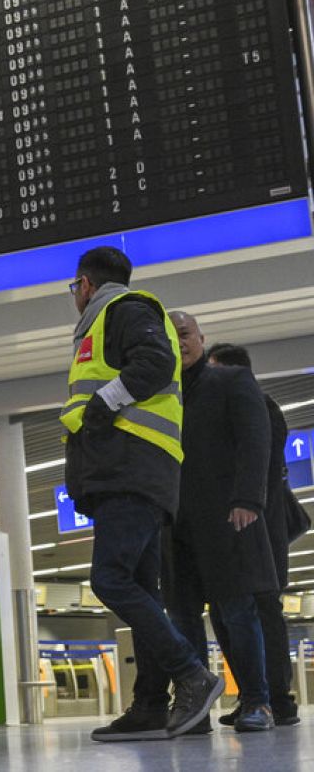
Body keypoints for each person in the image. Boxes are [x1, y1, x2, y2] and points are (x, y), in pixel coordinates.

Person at [61, 246, 222, 742]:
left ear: (85, 284)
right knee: (142, 586)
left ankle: (191, 674)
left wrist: (102, 407)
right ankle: (150, 705)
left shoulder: (123, 309)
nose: (75, 296)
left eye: (74, 288)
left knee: (110, 578)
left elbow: (155, 359)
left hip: (129, 469)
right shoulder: (105, 321)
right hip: (130, 470)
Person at [162, 314, 277, 732]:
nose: (179, 343)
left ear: (201, 339)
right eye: (169, 338)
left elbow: (255, 437)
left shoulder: (229, 381)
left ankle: (257, 702)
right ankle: (195, 710)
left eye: (185, 335)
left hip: (227, 516)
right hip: (174, 522)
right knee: (183, 615)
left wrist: (248, 498)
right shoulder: (159, 395)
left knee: (237, 611)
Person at [206, 342, 302, 727]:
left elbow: (257, 469)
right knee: (235, 613)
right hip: (247, 530)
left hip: (259, 530)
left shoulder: (259, 406)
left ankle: (277, 699)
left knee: (263, 611)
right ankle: (254, 695)